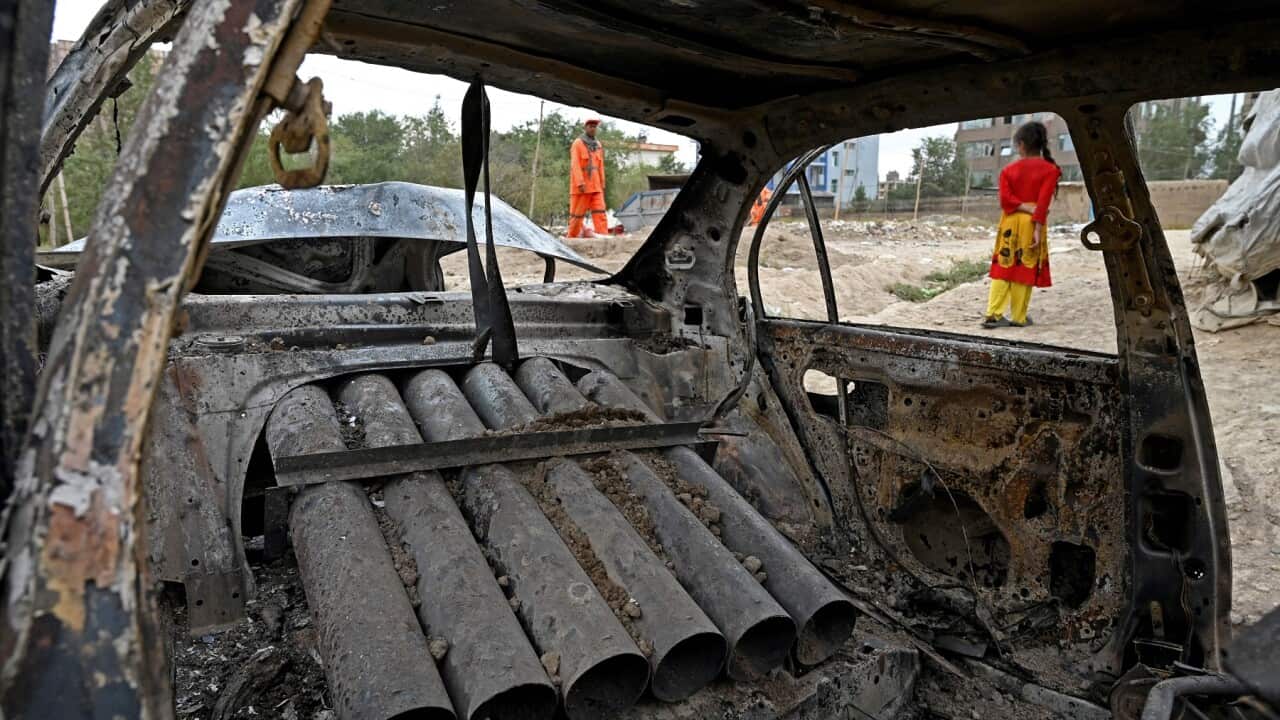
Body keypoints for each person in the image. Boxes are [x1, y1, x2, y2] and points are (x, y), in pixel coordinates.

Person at [982, 120, 1061, 328]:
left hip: (1010, 220)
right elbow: (1043, 203)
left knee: (1004, 265)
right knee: (1025, 265)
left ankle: (993, 314)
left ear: (1021, 145)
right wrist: (1036, 226)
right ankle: (1018, 317)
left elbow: (1005, 200)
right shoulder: (1050, 170)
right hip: (1032, 224)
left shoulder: (1008, 170)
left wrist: (1023, 207)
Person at [568, 118, 607, 238]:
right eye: (590, 126)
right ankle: (571, 238)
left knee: (600, 212)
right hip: (582, 187)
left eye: (595, 126)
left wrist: (602, 183)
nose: (593, 128)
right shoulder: (578, 143)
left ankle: (603, 237)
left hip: (596, 186)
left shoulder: (598, 145)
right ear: (585, 127)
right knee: (577, 215)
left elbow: (600, 166)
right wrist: (580, 183)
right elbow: (575, 164)